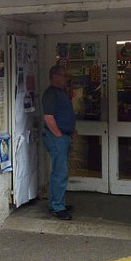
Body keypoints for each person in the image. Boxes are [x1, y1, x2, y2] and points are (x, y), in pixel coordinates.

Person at [42, 65, 76, 220]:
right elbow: (48, 117)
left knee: (59, 171)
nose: (66, 79)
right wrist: (60, 135)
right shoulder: (50, 94)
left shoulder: (60, 93)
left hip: (62, 137)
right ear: (55, 76)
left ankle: (56, 203)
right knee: (60, 173)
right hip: (57, 138)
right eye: (64, 76)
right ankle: (58, 206)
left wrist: (70, 131)